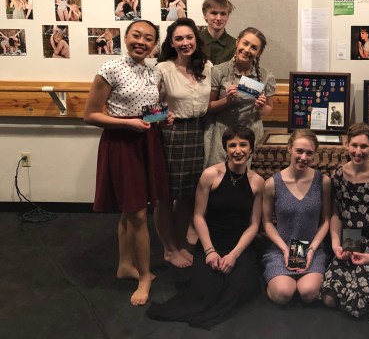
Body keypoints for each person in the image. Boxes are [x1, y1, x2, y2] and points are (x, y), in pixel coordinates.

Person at [83, 20, 170, 306]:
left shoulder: (153, 71)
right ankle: (144, 277)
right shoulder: (110, 68)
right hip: (121, 143)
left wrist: (162, 117)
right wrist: (127, 124)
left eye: (148, 38)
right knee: (137, 213)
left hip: (147, 141)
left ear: (154, 45)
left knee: (131, 209)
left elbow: (147, 111)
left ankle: (124, 265)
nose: (141, 42)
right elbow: (90, 115)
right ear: (126, 36)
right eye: (137, 35)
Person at [147, 125, 264, 329]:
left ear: (251, 149)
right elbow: (199, 217)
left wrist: (234, 255)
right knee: (206, 292)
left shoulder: (258, 182)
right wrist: (210, 251)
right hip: (212, 243)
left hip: (240, 246)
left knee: (236, 290)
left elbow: (254, 225)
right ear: (225, 149)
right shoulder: (210, 175)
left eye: (243, 145)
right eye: (232, 145)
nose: (238, 150)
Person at [320, 123, 369, 321]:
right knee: (329, 297)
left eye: (364, 146)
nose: (358, 151)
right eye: (354, 145)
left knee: (356, 303)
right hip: (351, 238)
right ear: (346, 145)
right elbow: (336, 214)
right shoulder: (338, 175)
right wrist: (335, 244)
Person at [155, 19, 213, 269]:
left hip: (199, 132)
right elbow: (148, 107)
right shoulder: (162, 69)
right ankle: (168, 249)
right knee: (166, 197)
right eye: (179, 39)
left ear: (196, 40)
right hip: (172, 134)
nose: (185, 43)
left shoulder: (207, 66)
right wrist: (161, 118)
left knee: (189, 196)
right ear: (171, 43)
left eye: (189, 37)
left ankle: (179, 244)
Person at [262, 129, 331, 304]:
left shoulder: (323, 182)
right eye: (299, 151)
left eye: (309, 153)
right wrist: (285, 250)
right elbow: (267, 222)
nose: (303, 157)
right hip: (281, 248)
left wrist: (312, 249)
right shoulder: (272, 184)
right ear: (289, 148)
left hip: (312, 249)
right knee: (283, 294)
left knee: (308, 293)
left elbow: (326, 221)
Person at [204, 27, 276, 166]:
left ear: (259, 52)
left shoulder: (266, 76)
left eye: (254, 48)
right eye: (245, 43)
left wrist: (260, 107)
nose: (247, 50)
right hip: (223, 134)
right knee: (220, 175)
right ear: (237, 42)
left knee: (249, 176)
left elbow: (269, 108)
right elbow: (209, 107)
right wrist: (227, 100)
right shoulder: (219, 71)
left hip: (251, 135)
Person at [199, 0, 236, 65]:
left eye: (223, 14)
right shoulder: (195, 42)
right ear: (205, 15)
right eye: (214, 13)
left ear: (228, 16)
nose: (219, 18)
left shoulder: (235, 46)